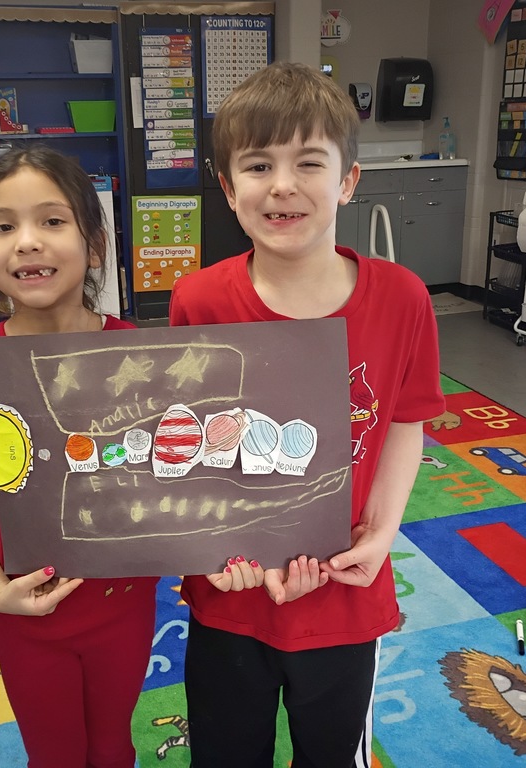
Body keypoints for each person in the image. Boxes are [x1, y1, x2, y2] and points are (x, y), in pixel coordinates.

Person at [168, 62, 446, 767]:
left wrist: (381, 535)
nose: (283, 185)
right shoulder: (197, 301)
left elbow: (405, 424)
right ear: (229, 189)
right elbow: (192, 444)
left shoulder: (403, 298)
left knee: (331, 756)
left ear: (348, 181)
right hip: (231, 598)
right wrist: (210, 549)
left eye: (308, 162)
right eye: (258, 165)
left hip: (345, 593)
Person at [0, 145, 158, 768]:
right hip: (29, 616)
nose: (27, 242)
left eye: (52, 221)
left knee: (113, 749)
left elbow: (168, 471)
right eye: (4, 226)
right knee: (53, 757)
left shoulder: (145, 358)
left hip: (124, 608)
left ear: (94, 241)